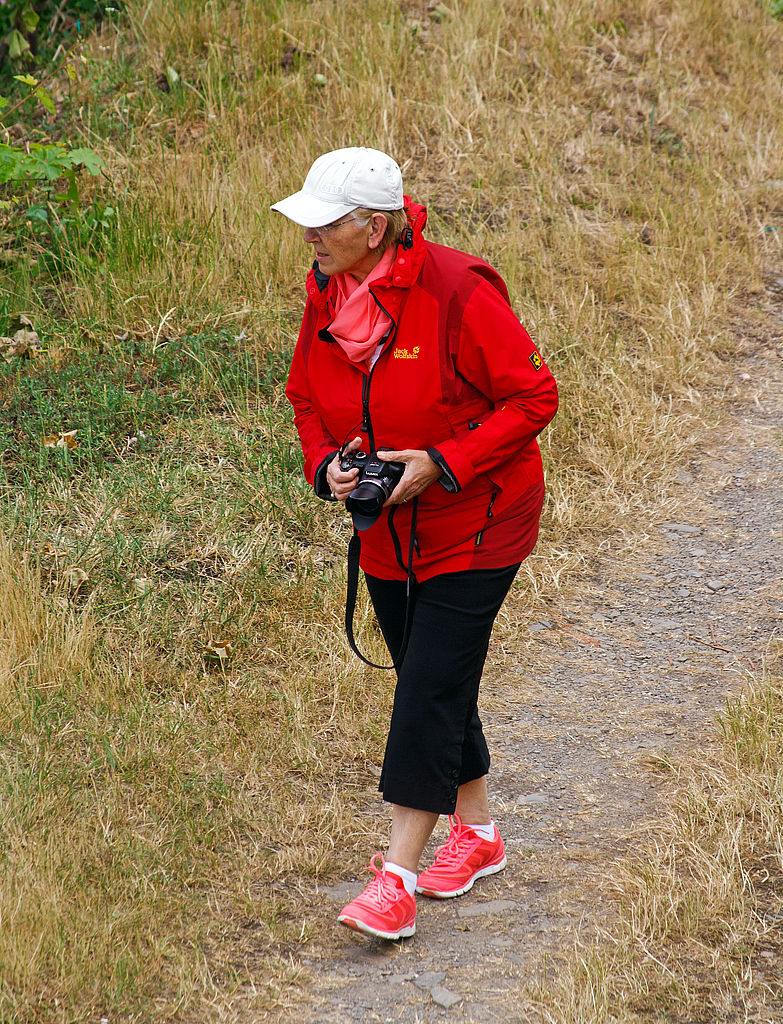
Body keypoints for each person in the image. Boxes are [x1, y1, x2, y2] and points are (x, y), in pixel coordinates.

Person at [271, 147, 558, 941]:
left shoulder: (458, 289)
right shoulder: (328, 291)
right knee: (429, 673)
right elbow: (304, 396)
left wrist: (442, 463)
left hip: (481, 520)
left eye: (325, 224)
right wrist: (326, 464)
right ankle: (478, 832)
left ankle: (394, 878)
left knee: (427, 685)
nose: (310, 238)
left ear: (375, 223)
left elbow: (534, 394)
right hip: (387, 531)